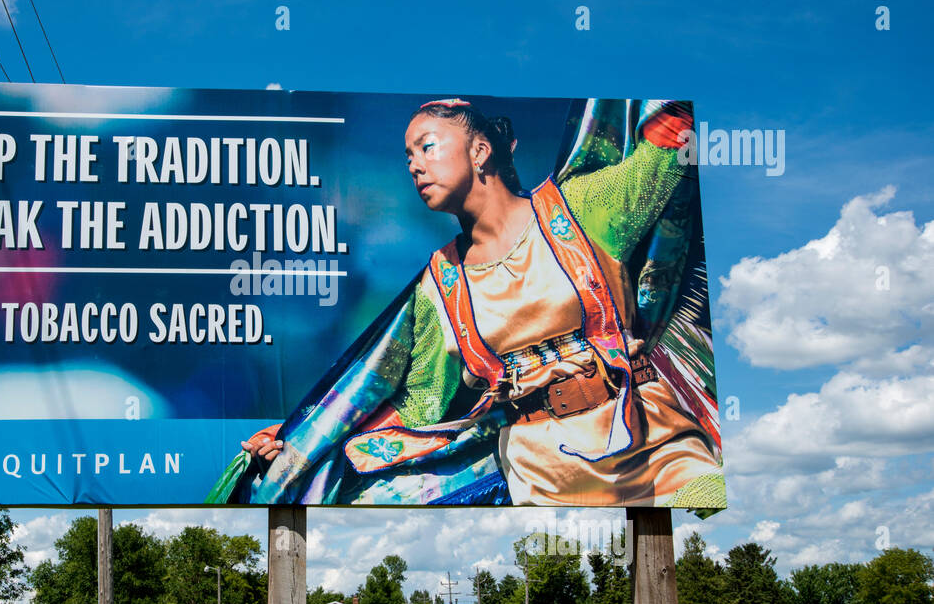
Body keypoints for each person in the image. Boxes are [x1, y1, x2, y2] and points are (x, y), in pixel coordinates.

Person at [208, 98, 724, 507]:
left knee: (717, 496)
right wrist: (304, 436)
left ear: (480, 152)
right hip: (537, 469)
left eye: (427, 147)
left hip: (649, 439)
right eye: (408, 158)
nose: (414, 167)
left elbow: (666, 149)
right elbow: (418, 406)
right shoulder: (439, 283)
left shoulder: (585, 207)